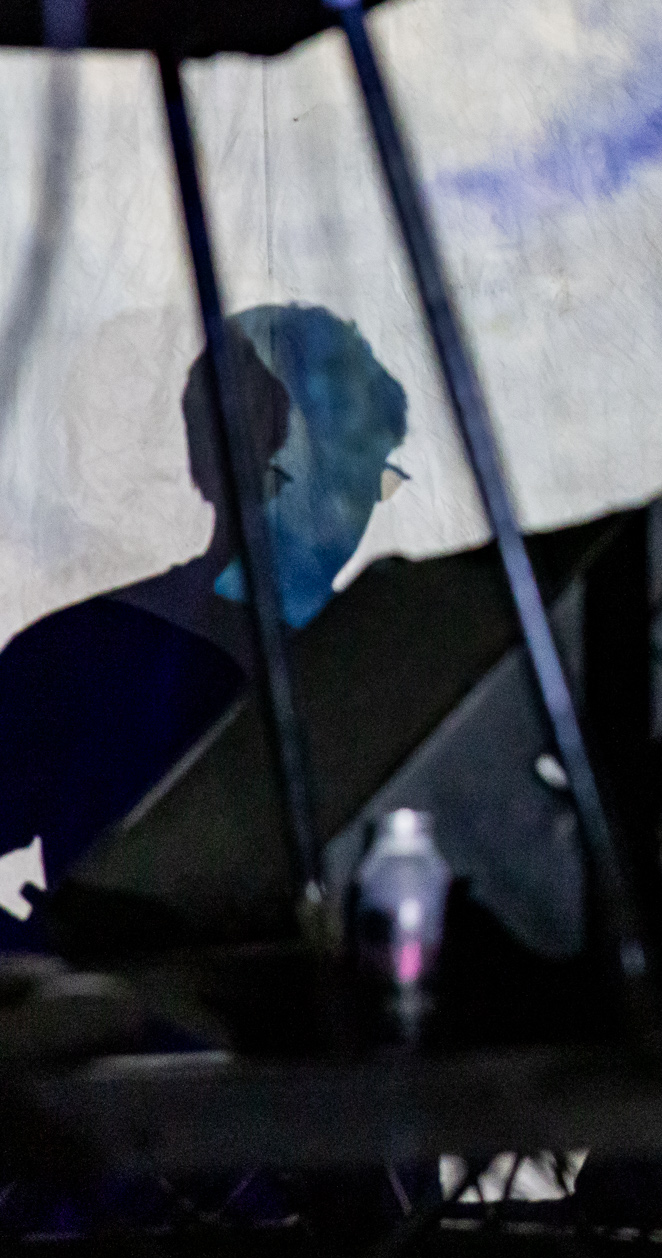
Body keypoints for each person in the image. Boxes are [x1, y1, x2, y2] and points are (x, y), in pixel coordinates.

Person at [0, 305, 407, 953]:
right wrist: (61, 968)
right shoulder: (78, 656)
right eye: (338, 456)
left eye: (372, 472)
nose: (353, 503)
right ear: (240, 451)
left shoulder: (400, 666)